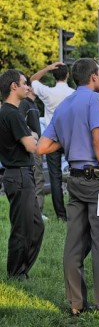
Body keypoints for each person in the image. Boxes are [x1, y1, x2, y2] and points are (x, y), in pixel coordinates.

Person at [37, 58, 99, 316]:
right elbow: (98, 140)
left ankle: (75, 302)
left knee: (74, 243)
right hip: (96, 180)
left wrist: (70, 142)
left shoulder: (64, 105)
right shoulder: (95, 100)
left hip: (73, 179)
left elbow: (42, 147)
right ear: (93, 77)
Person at [0, 69, 44, 280]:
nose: (28, 87)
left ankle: (21, 270)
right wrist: (32, 135)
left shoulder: (10, 113)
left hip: (20, 175)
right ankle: (15, 274)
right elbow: (30, 145)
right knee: (22, 228)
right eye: (25, 83)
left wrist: (31, 135)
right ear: (13, 87)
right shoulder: (12, 113)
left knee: (36, 226)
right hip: (18, 175)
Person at [31, 62, 74, 221]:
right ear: (68, 75)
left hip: (51, 137)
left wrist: (47, 68)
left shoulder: (47, 92)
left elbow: (33, 80)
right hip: (70, 138)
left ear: (53, 76)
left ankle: (61, 215)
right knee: (76, 173)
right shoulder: (73, 93)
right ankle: (76, 210)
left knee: (54, 176)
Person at [18, 76, 46, 218]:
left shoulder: (33, 105)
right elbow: (19, 123)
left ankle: (38, 211)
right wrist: (31, 133)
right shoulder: (24, 104)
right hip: (31, 148)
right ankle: (36, 213)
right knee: (37, 178)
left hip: (37, 147)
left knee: (39, 178)